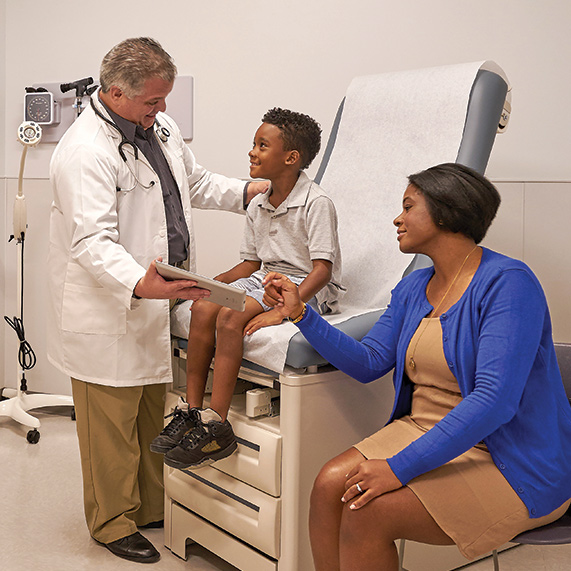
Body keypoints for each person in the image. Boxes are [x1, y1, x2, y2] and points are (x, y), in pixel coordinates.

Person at [262, 163, 571, 571]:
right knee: (328, 485)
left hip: (510, 458)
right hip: (423, 429)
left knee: (367, 512)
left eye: (408, 207)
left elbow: (494, 401)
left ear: (445, 213)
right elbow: (370, 361)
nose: (398, 218)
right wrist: (302, 314)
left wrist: (397, 469)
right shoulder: (413, 287)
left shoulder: (509, 283)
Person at [47, 37, 268, 564]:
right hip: (111, 307)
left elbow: (192, 182)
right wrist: (142, 283)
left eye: (165, 98)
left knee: (151, 415)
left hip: (156, 299)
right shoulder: (84, 151)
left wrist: (248, 191)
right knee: (110, 430)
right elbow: (91, 242)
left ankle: (148, 507)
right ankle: (110, 523)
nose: (163, 109)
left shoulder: (155, 129)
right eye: (153, 100)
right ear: (115, 92)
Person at [150, 107, 344, 469]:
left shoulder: (317, 204)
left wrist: (286, 309)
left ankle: (215, 425)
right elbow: (251, 265)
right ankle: (193, 411)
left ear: (291, 158)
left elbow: (322, 270)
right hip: (266, 278)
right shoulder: (258, 203)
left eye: (261, 145)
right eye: (254, 144)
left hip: (304, 286)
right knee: (203, 306)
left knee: (229, 320)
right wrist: (211, 283)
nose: (252, 152)